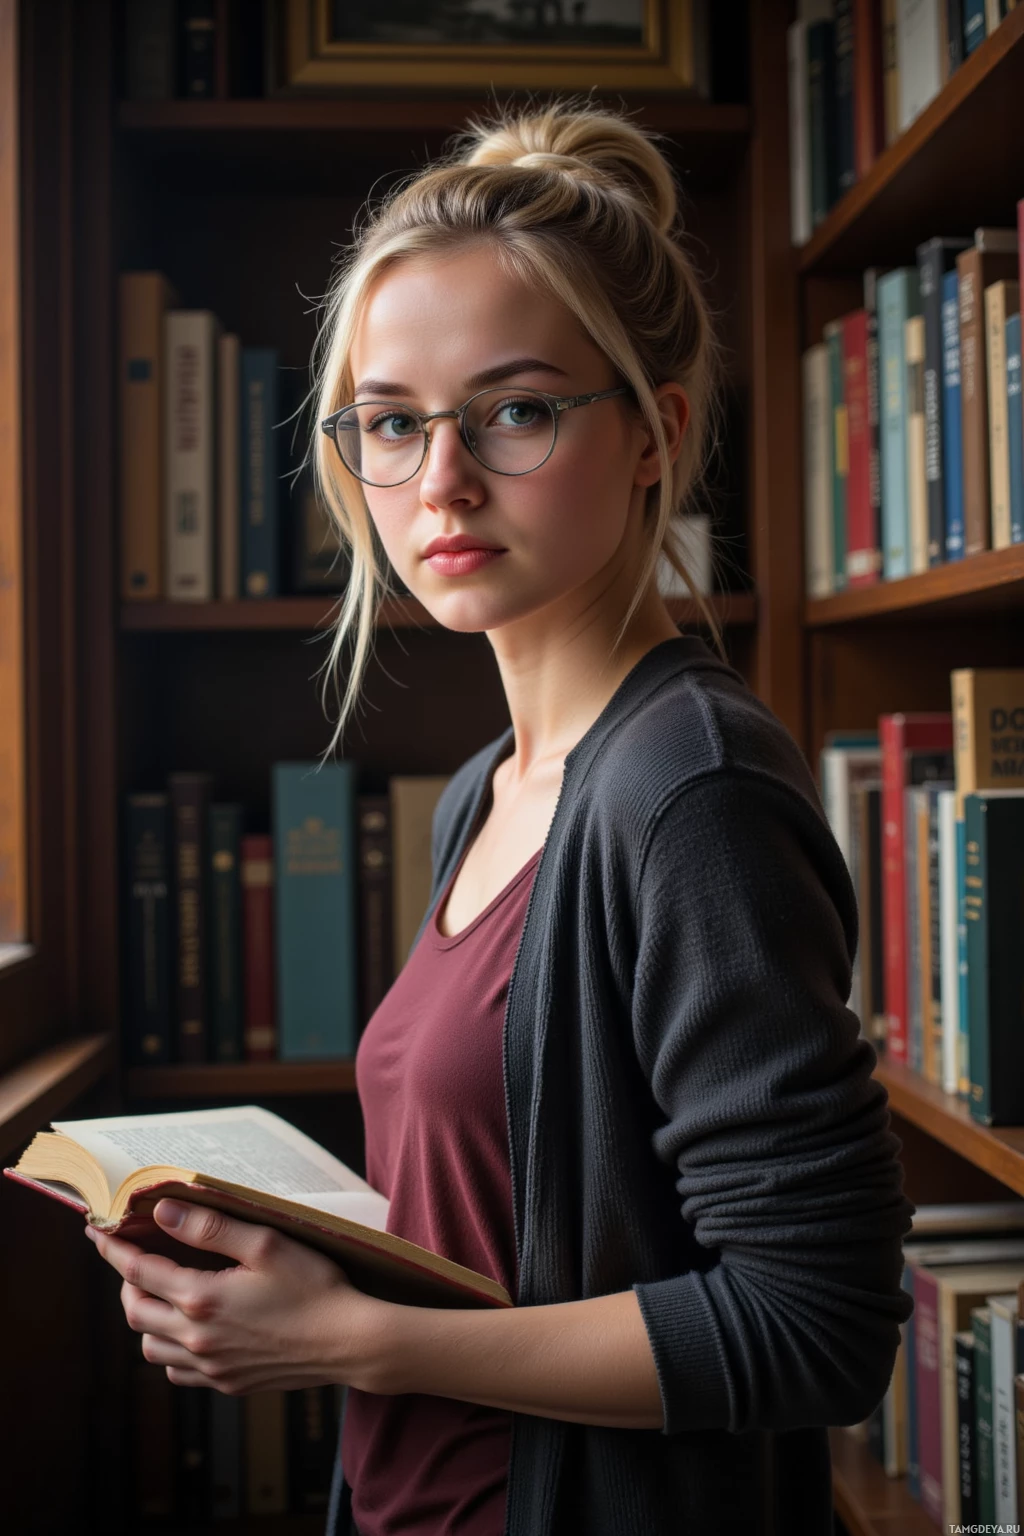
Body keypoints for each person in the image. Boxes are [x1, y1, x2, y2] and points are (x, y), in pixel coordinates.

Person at [86, 98, 915, 1536]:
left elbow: (814, 1324)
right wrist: (271, 1259)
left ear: (655, 432)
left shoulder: (690, 794)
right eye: (393, 426)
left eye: (516, 410)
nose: (443, 481)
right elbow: (520, 1212)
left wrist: (352, 1340)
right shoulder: (489, 789)